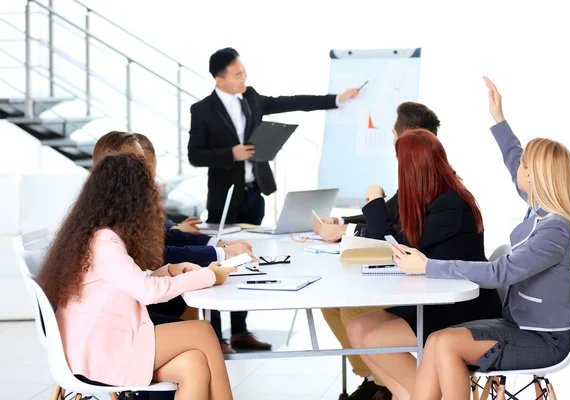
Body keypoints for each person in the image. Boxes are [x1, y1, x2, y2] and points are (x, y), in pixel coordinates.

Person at [390, 77, 570, 400]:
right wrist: (499, 118)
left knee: (445, 344)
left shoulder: (556, 229)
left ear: (536, 176)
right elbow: (514, 158)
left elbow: (500, 272)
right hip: (517, 325)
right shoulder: (538, 209)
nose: (518, 167)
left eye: (524, 165)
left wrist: (428, 267)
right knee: (436, 341)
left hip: (543, 339)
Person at [37, 153, 237, 399]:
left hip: (93, 345)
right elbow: (147, 292)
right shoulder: (104, 241)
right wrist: (210, 276)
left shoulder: (95, 234)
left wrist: (172, 270)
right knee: (203, 332)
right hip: (100, 351)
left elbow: (129, 280)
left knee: (193, 363)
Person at [345, 130, 502, 400]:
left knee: (372, 339)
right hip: (434, 299)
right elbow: (400, 237)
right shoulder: (433, 197)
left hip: (462, 308)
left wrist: (375, 200)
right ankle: (408, 395)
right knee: (357, 328)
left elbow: (396, 244)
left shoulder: (451, 204)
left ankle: (421, 395)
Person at [318, 103, 441, 400]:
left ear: (402, 137)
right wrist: (342, 222)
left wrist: (351, 227)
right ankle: (376, 379)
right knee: (331, 305)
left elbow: (393, 235)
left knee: (352, 308)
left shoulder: (427, 178)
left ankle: (383, 382)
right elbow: (389, 214)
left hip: (425, 288)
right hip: (409, 276)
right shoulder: (421, 169)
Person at [188, 47, 359, 226]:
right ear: (219, 80)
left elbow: (290, 102)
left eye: (244, 72)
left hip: (255, 194)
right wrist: (231, 154)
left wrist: (336, 100)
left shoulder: (251, 98)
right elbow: (195, 156)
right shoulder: (202, 110)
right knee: (223, 247)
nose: (244, 78)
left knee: (254, 246)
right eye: (237, 75)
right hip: (224, 198)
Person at [131, 132, 269, 353]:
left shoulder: (126, 204)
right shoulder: (116, 217)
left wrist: (220, 246)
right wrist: (213, 265)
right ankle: (214, 342)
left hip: (136, 300)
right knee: (203, 335)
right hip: (127, 315)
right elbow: (157, 254)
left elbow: (166, 235)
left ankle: (224, 339)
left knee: (201, 332)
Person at [313, 102, 441, 244]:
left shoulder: (435, 192)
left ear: (407, 139)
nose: (393, 144)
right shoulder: (417, 180)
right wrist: (337, 221)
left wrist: (346, 229)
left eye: (394, 135)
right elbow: (383, 217)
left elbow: (393, 237)